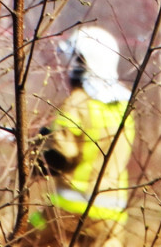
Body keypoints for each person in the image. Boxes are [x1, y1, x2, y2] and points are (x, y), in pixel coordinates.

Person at [24, 25, 136, 247]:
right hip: (111, 217)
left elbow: (61, 158)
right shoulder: (124, 107)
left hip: (70, 214)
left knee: (24, 238)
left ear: (81, 64)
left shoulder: (77, 103)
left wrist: (34, 156)